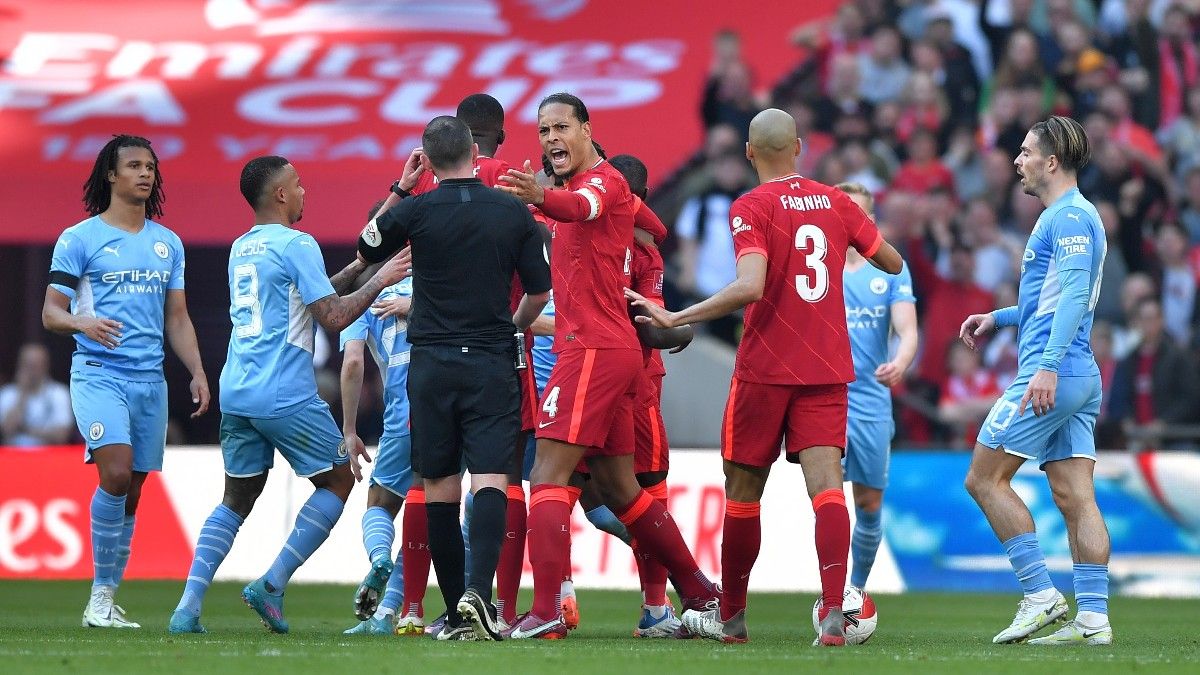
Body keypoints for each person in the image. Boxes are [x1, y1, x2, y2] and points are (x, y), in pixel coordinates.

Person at [629, 108, 903, 646]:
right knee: (827, 491)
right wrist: (844, 241)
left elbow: (751, 284)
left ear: (750, 153)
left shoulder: (751, 206)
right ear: (798, 147)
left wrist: (678, 315)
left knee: (743, 492)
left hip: (766, 367)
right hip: (825, 366)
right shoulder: (838, 202)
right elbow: (890, 262)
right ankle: (833, 614)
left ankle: (731, 618)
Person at [497, 93, 716, 640]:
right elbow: (651, 226)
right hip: (611, 351)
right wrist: (632, 225)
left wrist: (544, 197)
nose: (551, 138)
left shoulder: (601, 184)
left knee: (547, 475)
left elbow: (581, 208)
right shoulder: (583, 190)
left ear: (587, 129)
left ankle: (547, 608)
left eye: (561, 127)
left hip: (591, 348)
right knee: (621, 488)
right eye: (543, 130)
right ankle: (700, 591)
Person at [168, 155, 409, 635]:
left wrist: (362, 263)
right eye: (298, 185)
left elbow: (305, 297)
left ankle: (187, 607)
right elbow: (333, 316)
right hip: (284, 393)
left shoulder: (242, 247)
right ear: (280, 194)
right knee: (338, 481)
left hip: (237, 389)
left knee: (235, 499)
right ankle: (272, 584)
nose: (304, 192)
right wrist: (381, 279)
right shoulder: (298, 243)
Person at [358, 115, 551, 642]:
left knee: (439, 486)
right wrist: (511, 328)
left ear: (426, 159)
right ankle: (479, 595)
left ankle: (454, 612)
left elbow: (367, 245)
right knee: (491, 478)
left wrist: (401, 187)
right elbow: (539, 291)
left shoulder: (416, 209)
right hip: (490, 360)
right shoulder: (511, 211)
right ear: (474, 151)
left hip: (432, 364)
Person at [42, 135, 210, 629]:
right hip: (98, 374)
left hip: (150, 381)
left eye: (150, 167)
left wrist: (197, 370)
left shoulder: (168, 243)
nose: (145, 174)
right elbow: (51, 312)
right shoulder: (79, 238)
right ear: (111, 175)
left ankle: (108, 599)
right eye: (134, 166)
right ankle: (97, 598)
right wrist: (83, 323)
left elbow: (176, 317)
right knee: (114, 474)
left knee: (132, 492)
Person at [959, 116, 1112, 646]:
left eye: (1025, 152)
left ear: (1051, 161)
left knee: (983, 479)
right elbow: (1047, 299)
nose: (1017, 160)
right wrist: (999, 317)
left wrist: (1045, 366)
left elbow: (1073, 297)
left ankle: (1040, 595)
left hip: (1054, 372)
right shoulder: (1072, 216)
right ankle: (1093, 619)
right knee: (1075, 496)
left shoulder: (1067, 219)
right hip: (1078, 372)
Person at [834, 183, 918, 592]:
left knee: (867, 503)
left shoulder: (890, 267)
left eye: (855, 213)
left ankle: (855, 590)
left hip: (870, 401)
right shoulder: (816, 267)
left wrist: (899, 363)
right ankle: (832, 591)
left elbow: (908, 330)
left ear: (869, 220)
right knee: (827, 500)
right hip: (827, 399)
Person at [340, 200, 415, 636]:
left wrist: (350, 429)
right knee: (429, 507)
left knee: (381, 504)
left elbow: (353, 363)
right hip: (454, 406)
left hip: (404, 410)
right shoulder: (440, 278)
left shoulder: (363, 295)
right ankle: (390, 610)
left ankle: (380, 558)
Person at [0, 343, 73, 447]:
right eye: (27, 365)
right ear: (19, 366)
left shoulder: (59, 393)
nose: (31, 371)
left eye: (35, 365)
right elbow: (7, 431)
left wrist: (25, 429)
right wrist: (23, 393)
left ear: (46, 366)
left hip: (48, 453)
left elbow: (61, 436)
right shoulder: (7, 393)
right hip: (15, 453)